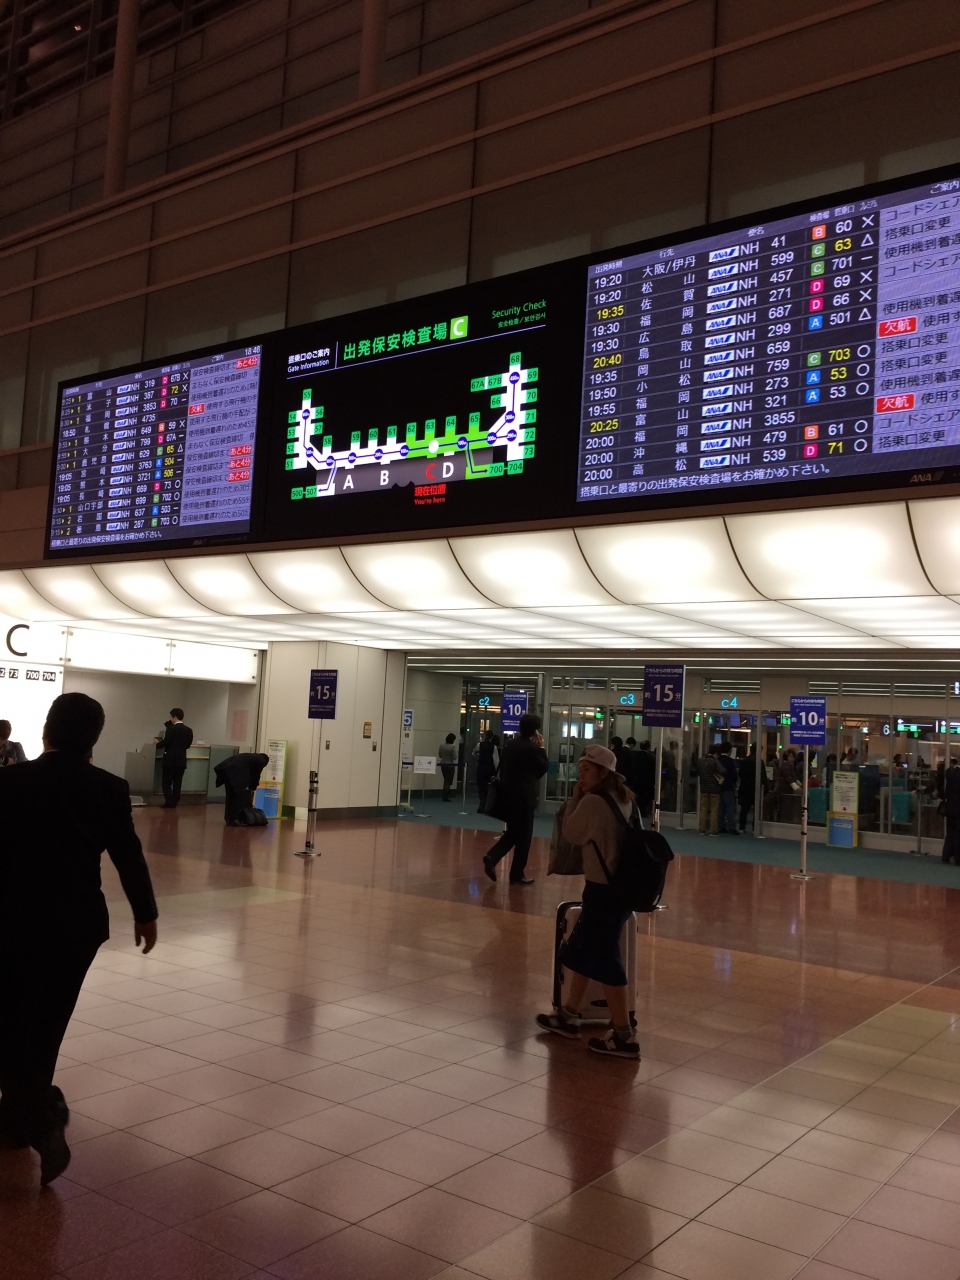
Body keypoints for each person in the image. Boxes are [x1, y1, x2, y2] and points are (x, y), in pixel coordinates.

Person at [0, 693, 157, 1184]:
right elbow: (128, 854)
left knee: (11, 1021)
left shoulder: (9, 782)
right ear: (94, 739)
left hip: (14, 922)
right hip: (78, 926)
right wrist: (146, 914)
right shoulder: (109, 787)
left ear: (46, 731)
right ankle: (20, 1122)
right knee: (48, 1024)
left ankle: (41, 1114)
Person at [535, 743, 640, 1059]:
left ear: (603, 773)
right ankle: (568, 1015)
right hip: (623, 888)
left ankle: (624, 1036)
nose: (581, 776)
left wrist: (575, 800)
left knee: (604, 957)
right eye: (580, 769)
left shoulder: (594, 802)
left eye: (587, 770)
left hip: (603, 890)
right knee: (581, 950)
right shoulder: (625, 799)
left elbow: (572, 833)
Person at [482, 712, 547, 885]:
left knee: (513, 832)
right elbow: (542, 768)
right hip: (524, 798)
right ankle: (516, 874)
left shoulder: (510, 745)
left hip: (508, 795)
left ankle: (493, 857)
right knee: (524, 837)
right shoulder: (531, 748)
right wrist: (541, 748)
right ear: (535, 731)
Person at [214, 752, 270, 825]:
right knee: (237, 796)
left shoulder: (252, 757)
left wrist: (251, 786)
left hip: (226, 770)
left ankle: (228, 818)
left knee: (230, 795)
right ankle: (234, 819)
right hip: (234, 772)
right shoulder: (261, 760)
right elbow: (256, 775)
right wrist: (253, 787)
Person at [155, 707, 193, 808]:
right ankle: (175, 801)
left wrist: (157, 744)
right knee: (178, 782)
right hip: (181, 760)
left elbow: (166, 742)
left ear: (175, 717)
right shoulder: (189, 730)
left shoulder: (171, 729)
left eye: (171, 717)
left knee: (166, 781)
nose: (170, 719)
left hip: (170, 760)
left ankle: (169, 802)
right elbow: (188, 745)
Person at [696, 744, 724, 835]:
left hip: (703, 788)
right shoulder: (715, 761)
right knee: (714, 810)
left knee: (703, 809)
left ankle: (702, 829)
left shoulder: (700, 761)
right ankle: (713, 830)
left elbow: (698, 772)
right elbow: (723, 771)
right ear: (715, 753)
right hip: (714, 789)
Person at [737, 744, 764, 833]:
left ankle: (741, 827)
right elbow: (763, 776)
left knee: (744, 809)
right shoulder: (759, 761)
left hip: (745, 787)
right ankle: (754, 828)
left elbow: (740, 773)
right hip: (755, 787)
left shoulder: (745, 760)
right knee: (756, 809)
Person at [474, 730, 499, 813]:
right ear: (492, 737)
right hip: (489, 768)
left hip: (481, 767)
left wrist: (478, 757)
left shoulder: (479, 745)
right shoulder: (494, 747)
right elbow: (496, 761)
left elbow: (473, 753)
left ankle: (481, 802)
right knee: (488, 787)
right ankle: (485, 805)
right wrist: (497, 772)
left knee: (481, 787)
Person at [941, 758, 960, 865]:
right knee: (958, 834)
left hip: (950, 809)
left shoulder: (951, 775)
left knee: (950, 833)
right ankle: (958, 858)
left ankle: (946, 855)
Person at [716, 742, 739, 833]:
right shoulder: (730, 761)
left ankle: (720, 826)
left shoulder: (717, 760)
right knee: (730, 808)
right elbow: (734, 775)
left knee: (720, 808)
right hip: (728, 787)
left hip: (718, 787)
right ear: (730, 750)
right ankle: (731, 827)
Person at [634, 740, 656, 819]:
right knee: (646, 796)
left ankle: (638, 810)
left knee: (638, 795)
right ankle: (642, 810)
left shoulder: (635, 756)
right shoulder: (651, 757)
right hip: (647, 780)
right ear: (648, 747)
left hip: (636, 779)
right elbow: (653, 770)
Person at [438, 732, 458, 801]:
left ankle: (444, 794)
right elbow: (454, 757)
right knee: (448, 781)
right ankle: (445, 795)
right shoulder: (452, 747)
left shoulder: (442, 746)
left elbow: (440, 755)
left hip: (443, 764)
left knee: (445, 780)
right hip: (450, 765)